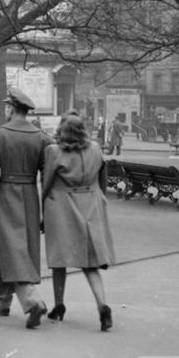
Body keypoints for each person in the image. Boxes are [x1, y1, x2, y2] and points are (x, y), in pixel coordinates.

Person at [0, 87, 55, 329]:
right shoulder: (42, 137)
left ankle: (32, 301)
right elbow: (48, 177)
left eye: (6, 106)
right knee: (18, 246)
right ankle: (3, 302)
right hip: (30, 196)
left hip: (4, 194)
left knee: (9, 247)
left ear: (11, 109)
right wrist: (45, 209)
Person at [41, 115, 116, 331]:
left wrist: (42, 212)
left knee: (59, 258)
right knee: (90, 262)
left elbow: (46, 183)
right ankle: (102, 304)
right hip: (91, 204)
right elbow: (103, 178)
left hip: (63, 206)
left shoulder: (54, 151)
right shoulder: (95, 148)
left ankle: (59, 305)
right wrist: (100, 199)